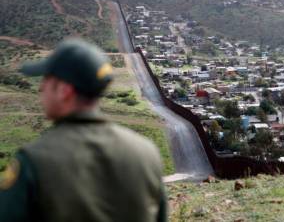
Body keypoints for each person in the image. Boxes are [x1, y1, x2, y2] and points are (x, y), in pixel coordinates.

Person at [0, 39, 167, 222]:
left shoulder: (33, 161)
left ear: (64, 90)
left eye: (46, 79)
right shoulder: (147, 153)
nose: (41, 87)